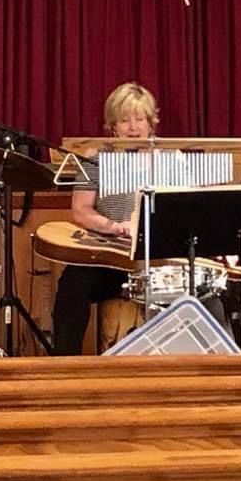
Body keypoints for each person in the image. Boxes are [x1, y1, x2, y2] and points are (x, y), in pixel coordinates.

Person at [52, 82, 158, 355]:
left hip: (155, 262)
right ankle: (65, 366)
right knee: (72, 286)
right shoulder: (96, 160)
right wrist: (114, 227)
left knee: (204, 290)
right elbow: (81, 209)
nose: (132, 127)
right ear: (113, 126)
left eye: (139, 119)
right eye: (124, 120)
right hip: (108, 258)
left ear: (150, 123)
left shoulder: (170, 160)